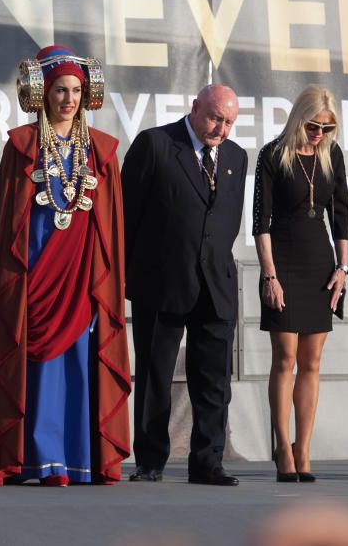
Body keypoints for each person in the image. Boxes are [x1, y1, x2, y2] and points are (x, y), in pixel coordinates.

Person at [0, 45, 130, 486]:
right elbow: (10, 222)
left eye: (76, 90)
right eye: (60, 89)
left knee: (79, 366)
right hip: (35, 273)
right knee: (39, 368)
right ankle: (39, 460)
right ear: (42, 93)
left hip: (82, 276)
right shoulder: (22, 147)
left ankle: (77, 460)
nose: (68, 99)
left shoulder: (101, 150)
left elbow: (110, 227)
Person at [123, 84, 248, 486]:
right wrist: (125, 274)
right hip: (161, 281)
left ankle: (208, 460)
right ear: (195, 108)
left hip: (216, 284)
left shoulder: (235, 157)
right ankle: (151, 459)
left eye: (229, 122)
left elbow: (224, 220)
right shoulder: (156, 145)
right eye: (215, 118)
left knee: (214, 380)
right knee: (155, 374)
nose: (221, 129)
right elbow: (126, 216)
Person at [252, 85, 348, 482]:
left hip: (320, 264)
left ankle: (303, 449)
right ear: (298, 119)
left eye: (327, 127)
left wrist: (343, 268)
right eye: (312, 125)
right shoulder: (273, 155)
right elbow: (261, 224)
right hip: (283, 263)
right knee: (286, 359)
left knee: (311, 361)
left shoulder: (332, 156)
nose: (319, 133)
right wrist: (269, 275)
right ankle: (281, 447)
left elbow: (340, 214)